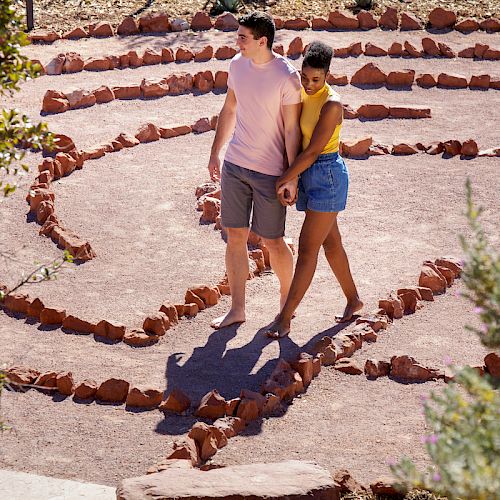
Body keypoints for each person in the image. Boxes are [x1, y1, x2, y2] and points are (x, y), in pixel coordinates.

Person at [208, 11, 302, 329]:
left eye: (242, 37)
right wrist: (215, 153)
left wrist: (292, 176)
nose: (237, 42)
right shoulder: (236, 65)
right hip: (236, 164)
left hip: (270, 172)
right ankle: (237, 309)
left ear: (262, 41)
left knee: (273, 242)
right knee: (235, 237)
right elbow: (230, 108)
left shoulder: (286, 76)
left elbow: (292, 130)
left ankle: (285, 310)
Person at [266, 41, 363, 339]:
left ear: (328, 75)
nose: (309, 84)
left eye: (316, 79)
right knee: (331, 244)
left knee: (308, 249)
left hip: (326, 175)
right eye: (305, 77)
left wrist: (283, 178)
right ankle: (354, 301)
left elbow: (312, 152)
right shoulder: (301, 92)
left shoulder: (332, 104)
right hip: (308, 174)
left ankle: (285, 317)